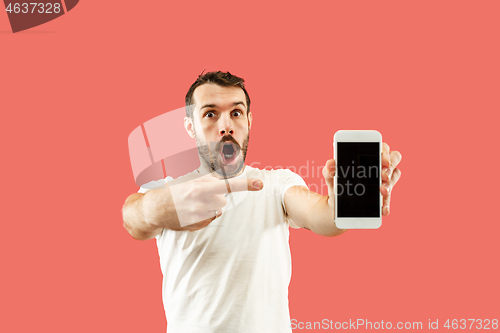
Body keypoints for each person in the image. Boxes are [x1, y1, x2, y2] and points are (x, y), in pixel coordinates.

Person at [122, 71, 402, 333]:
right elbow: (133, 217)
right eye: (210, 114)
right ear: (190, 127)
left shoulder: (277, 183)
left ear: (249, 121)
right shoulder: (171, 190)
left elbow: (323, 216)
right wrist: (156, 208)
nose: (226, 126)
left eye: (236, 112)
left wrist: (347, 201)